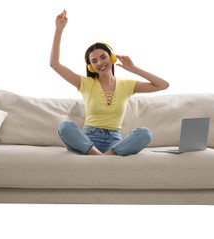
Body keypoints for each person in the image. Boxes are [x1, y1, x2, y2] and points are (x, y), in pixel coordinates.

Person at [50, 10, 169, 156]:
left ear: (112, 58)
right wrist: (59, 29)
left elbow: (163, 85)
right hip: (87, 141)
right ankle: (101, 157)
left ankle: (104, 156)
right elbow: (54, 64)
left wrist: (133, 68)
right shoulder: (85, 83)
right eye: (94, 61)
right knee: (65, 126)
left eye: (103, 57)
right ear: (90, 66)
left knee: (145, 133)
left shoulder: (127, 85)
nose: (99, 63)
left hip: (114, 143)